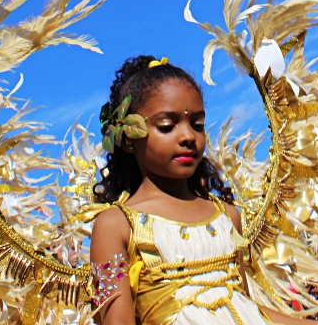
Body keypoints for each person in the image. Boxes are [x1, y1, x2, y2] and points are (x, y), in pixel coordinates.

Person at [89, 56, 307, 325]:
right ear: (127, 139)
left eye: (198, 125)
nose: (188, 136)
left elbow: (247, 307)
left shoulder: (227, 216)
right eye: (167, 126)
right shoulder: (115, 226)